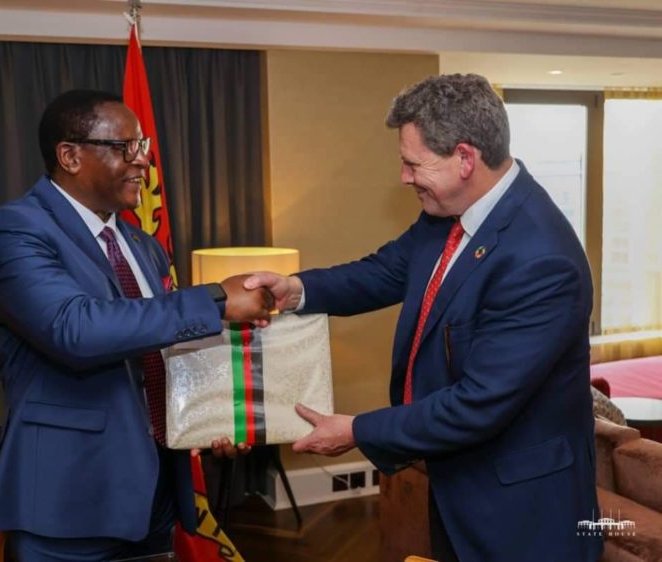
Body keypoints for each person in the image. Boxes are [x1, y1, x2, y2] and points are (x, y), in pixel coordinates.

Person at [247, 74, 602, 561]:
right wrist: (297, 291)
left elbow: (478, 403)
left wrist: (356, 430)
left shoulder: (541, 260)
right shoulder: (450, 211)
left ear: (464, 158)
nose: (404, 177)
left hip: (522, 510)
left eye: (413, 164)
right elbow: (386, 270)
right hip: (458, 481)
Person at [0, 89, 273, 561]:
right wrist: (215, 300)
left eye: (142, 146)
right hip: (69, 499)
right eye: (124, 147)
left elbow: (160, 346)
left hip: (157, 493)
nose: (142, 161)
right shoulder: (14, 231)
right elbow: (74, 330)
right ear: (70, 156)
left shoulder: (142, 245)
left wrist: (213, 418)